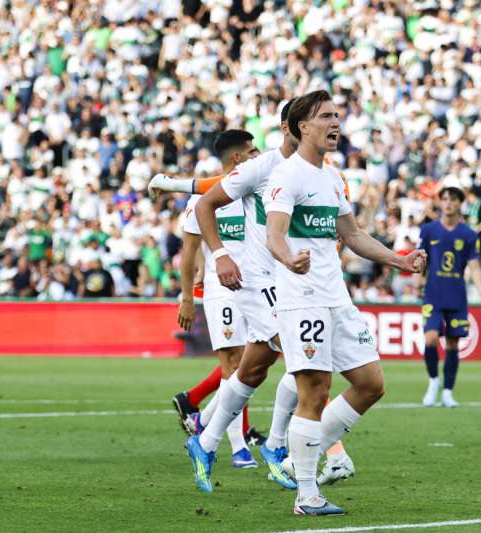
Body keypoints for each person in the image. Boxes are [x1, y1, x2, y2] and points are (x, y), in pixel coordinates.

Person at [265, 90, 426, 515]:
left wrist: (399, 260)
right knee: (314, 392)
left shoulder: (333, 177)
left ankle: (301, 454)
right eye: (326, 117)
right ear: (303, 126)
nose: (336, 123)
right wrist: (288, 258)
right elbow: (275, 234)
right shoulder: (289, 175)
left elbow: (352, 236)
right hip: (302, 300)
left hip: (336, 297)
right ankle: (306, 495)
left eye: (337, 116)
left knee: (372, 383)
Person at [185, 98, 355, 493]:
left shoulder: (317, 174)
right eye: (315, 120)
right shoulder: (261, 168)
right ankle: (276, 447)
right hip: (257, 281)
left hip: (290, 284)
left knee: (256, 367)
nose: (326, 126)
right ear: (291, 128)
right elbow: (206, 205)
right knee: (303, 357)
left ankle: (205, 439)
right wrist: (223, 255)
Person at [156, 129, 262, 468]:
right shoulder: (201, 203)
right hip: (222, 289)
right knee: (234, 363)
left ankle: (202, 421)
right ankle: (237, 446)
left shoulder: (255, 190)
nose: (258, 155)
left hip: (258, 286)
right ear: (237, 158)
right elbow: (188, 252)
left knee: (257, 360)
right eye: (252, 151)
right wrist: (187, 297)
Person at [418, 184, 481, 408]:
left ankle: (448, 392)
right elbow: (421, 259)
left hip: (456, 296)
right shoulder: (429, 230)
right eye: (445, 199)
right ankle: (433, 382)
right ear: (440, 203)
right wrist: (417, 278)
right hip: (433, 294)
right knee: (430, 338)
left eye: (453, 199)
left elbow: (475, 268)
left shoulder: (468, 234)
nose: (448, 203)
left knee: (452, 344)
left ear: (460, 204)